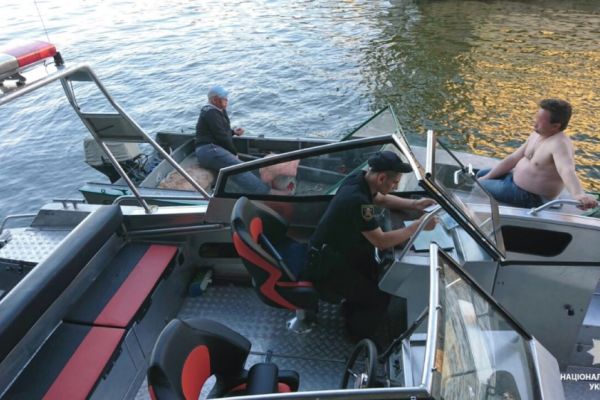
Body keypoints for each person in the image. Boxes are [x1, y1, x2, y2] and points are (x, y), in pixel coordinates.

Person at [305, 150, 436, 340]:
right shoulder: (358, 201)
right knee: (379, 296)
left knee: (375, 274)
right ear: (381, 178)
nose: (396, 186)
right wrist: (418, 226)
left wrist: (414, 205)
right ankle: (357, 336)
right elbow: (381, 241)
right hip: (326, 265)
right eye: (394, 182)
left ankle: (351, 309)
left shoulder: (359, 179)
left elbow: (380, 199)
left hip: (337, 252)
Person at [477, 99, 598, 209]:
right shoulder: (537, 134)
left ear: (555, 126)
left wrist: (579, 194)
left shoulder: (560, 144)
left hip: (530, 196)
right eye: (536, 118)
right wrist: (488, 176)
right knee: (480, 174)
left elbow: (566, 170)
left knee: (479, 184)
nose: (534, 124)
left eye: (540, 122)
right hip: (513, 180)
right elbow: (513, 158)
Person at [195, 85, 269, 193]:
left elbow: (220, 131)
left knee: (241, 165)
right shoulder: (211, 112)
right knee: (238, 168)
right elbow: (222, 137)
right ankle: (267, 193)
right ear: (214, 100)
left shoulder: (218, 110)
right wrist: (234, 153)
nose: (227, 100)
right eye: (224, 98)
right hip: (208, 150)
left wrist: (233, 132)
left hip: (212, 149)